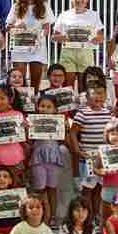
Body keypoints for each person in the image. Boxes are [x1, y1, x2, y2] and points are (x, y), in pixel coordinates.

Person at [68, 83, 111, 223]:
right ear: (87, 97)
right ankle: (87, 217)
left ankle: (96, 216)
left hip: (103, 160)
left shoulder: (108, 113)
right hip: (87, 160)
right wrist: (77, 150)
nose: (99, 96)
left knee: (99, 189)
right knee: (87, 190)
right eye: (95, 93)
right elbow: (72, 133)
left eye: (101, 93)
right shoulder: (82, 113)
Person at [7, 0, 55, 89]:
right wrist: (16, 25)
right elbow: (8, 26)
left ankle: (34, 100)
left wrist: (40, 35)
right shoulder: (16, 6)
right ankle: (19, 100)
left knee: (35, 84)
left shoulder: (44, 6)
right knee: (19, 82)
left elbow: (47, 28)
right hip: (19, 49)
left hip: (37, 49)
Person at [52, 0, 105, 86]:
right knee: (67, 87)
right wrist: (63, 37)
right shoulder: (64, 15)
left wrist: (96, 39)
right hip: (68, 53)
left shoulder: (94, 15)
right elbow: (54, 37)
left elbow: (101, 36)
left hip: (86, 53)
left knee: (84, 87)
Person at [29, 94, 66, 225]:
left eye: (49, 107)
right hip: (38, 159)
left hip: (53, 158)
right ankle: (41, 217)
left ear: (55, 109)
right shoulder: (32, 121)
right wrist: (26, 128)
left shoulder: (59, 122)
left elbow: (63, 140)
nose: (45, 109)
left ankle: (53, 218)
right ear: (37, 107)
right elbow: (29, 140)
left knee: (52, 188)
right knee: (39, 189)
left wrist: (65, 127)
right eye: (42, 106)